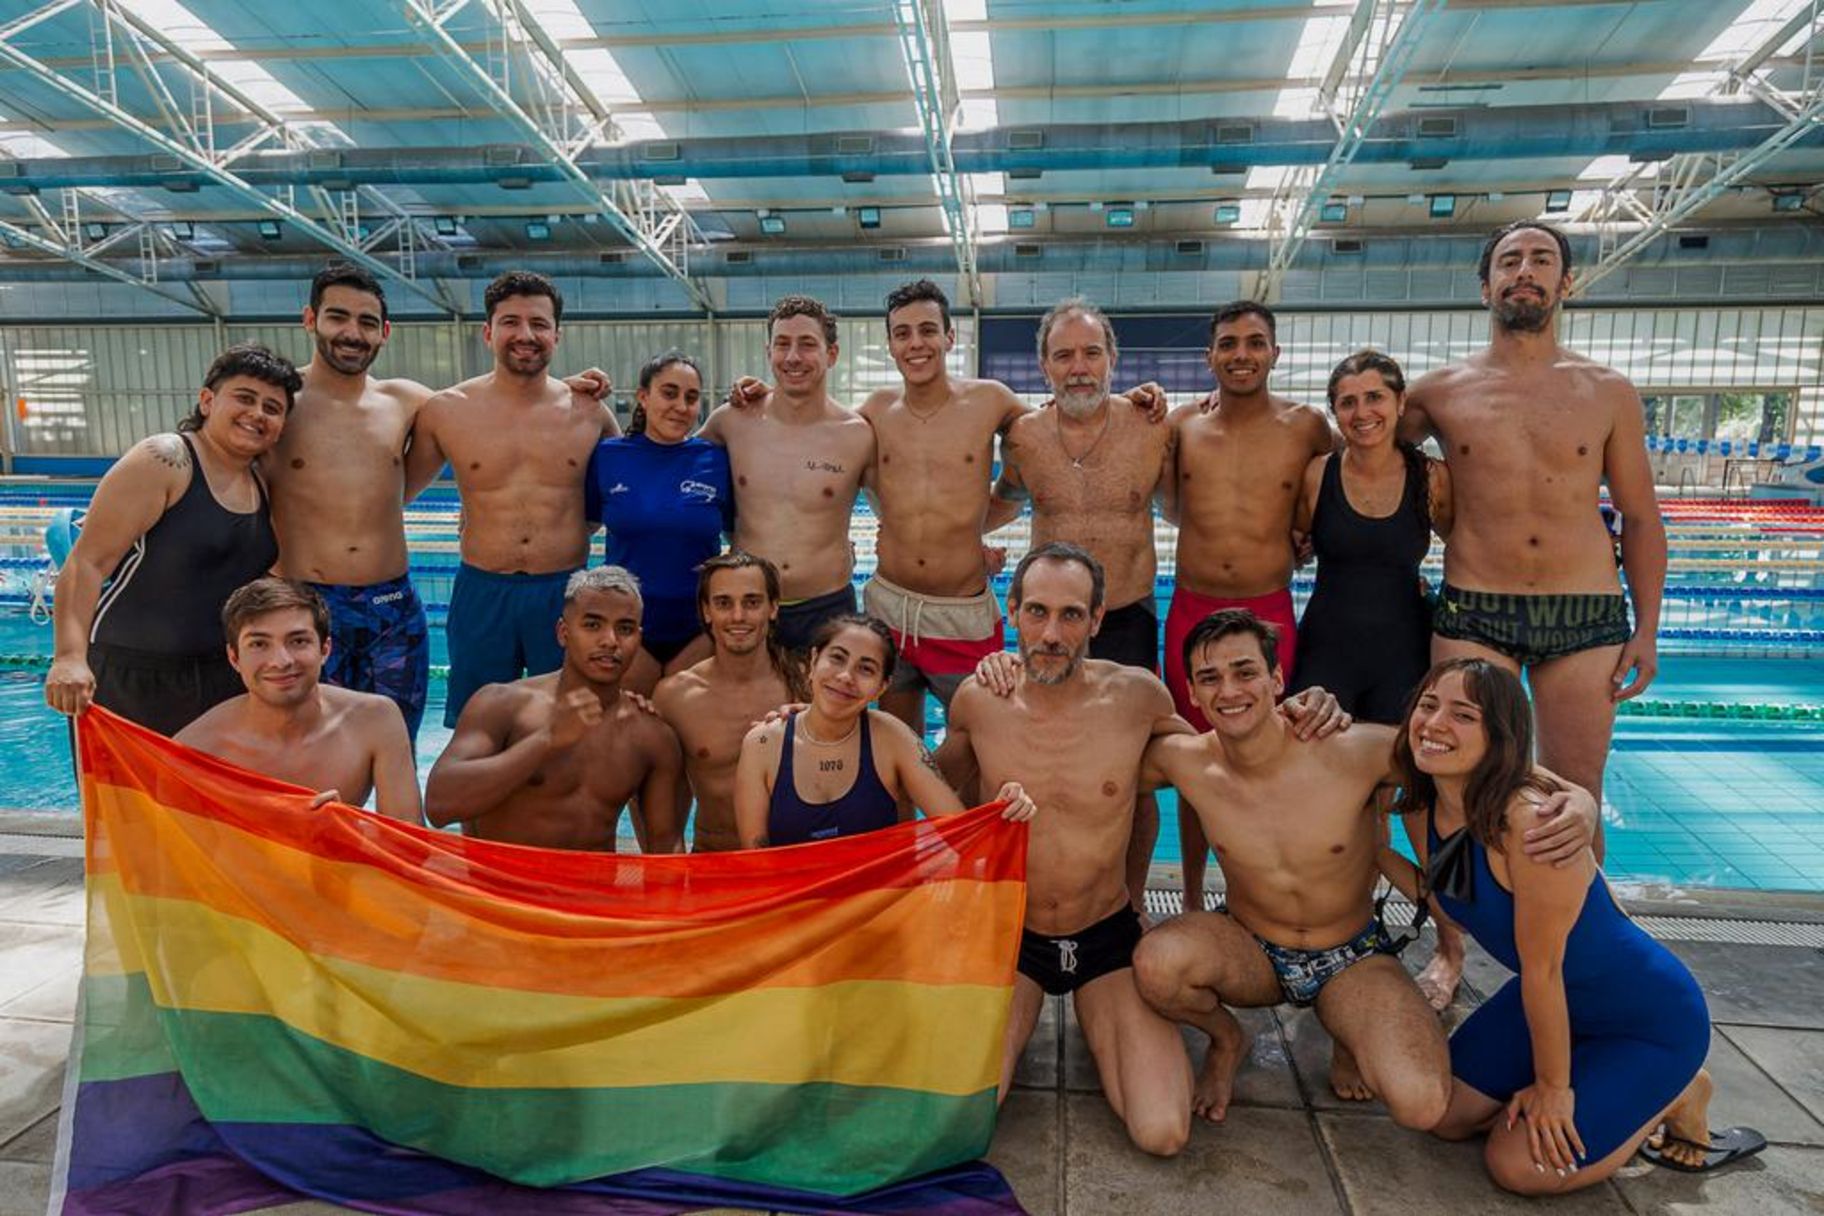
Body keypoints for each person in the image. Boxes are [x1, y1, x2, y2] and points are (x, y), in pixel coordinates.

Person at [1132, 611, 1588, 1129]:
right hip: (1248, 946)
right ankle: (1227, 1039)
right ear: (1192, 693)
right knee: (1157, 965)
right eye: (1210, 678)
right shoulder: (1185, 760)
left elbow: (1471, 755)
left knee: (1422, 1105)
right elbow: (1098, 769)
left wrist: (1579, 799)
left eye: (1245, 672)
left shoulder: (1355, 749)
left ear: (1277, 679)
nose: (1229, 691)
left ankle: (1348, 1033)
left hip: (1351, 956)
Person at [1400, 220, 1667, 1003]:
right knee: (1448, 788)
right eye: (1509, 260)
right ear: (1486, 285)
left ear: (1566, 282)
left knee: (1575, 790)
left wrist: (1647, 629)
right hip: (1474, 605)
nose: (1525, 271)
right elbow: (1362, 440)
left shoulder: (1607, 391)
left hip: (1585, 610)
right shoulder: (1439, 392)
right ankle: (1450, 947)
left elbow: (1641, 517)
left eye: (1541, 259)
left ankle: (1585, 955)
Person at [1403, 659, 1762, 1192]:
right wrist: (1366, 854)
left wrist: (1553, 1089)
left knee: (1518, 1167)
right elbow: (1448, 899)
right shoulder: (1427, 805)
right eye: (1429, 705)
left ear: (1499, 734)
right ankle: (1597, 1080)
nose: (1435, 724)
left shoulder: (1533, 825)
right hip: (1554, 1004)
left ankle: (1678, 1091)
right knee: (1444, 1113)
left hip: (1643, 1019)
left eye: (1463, 714)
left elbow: (1544, 970)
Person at [935, 543, 1193, 1156]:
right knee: (957, 1122)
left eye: (1071, 614)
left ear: (1097, 619)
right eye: (1038, 612)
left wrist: (1301, 720)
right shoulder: (979, 700)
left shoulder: (1138, 698)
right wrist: (818, 725)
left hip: (1104, 935)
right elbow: (923, 781)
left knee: (1162, 1132)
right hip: (1012, 937)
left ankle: (1105, 1020)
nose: (1052, 634)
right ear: (1013, 612)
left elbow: (1225, 763)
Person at [989, 299, 1174, 908]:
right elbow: (1001, 500)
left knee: (1136, 776)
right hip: (1049, 624)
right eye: (1063, 355)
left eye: (1091, 353)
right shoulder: (1022, 436)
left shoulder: (1152, 426)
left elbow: (1195, 499)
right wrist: (957, 543)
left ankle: (1133, 900)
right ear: (1043, 365)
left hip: (1126, 616)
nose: (1078, 368)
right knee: (1042, 764)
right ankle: (1042, 891)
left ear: (1113, 360)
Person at [1165, 301, 1335, 912]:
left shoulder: (1307, 426)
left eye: (1255, 342)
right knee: (1194, 759)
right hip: (1194, 608)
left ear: (1274, 353)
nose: (1242, 355)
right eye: (1229, 344)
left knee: (1272, 757)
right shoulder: (1183, 425)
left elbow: (1360, 478)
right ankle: (1191, 898)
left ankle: (1258, 898)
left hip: (1268, 609)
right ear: (1209, 356)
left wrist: (1313, 533)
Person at [43, 343, 299, 736]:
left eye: (272, 407)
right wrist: (69, 657)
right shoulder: (165, 461)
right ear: (207, 401)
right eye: (245, 398)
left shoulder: (261, 481)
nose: (257, 414)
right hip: (133, 677)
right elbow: (87, 563)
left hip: (221, 677)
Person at [405, 271, 622, 726]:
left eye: (539, 324)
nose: (526, 335)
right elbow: (395, 492)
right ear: (488, 332)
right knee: (477, 726)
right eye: (511, 322)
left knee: (571, 726)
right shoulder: (447, 410)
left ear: (557, 336)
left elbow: (624, 492)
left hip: (564, 590)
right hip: (483, 590)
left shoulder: (590, 412)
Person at [263, 263, 436, 741]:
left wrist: (565, 388)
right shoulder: (276, 402)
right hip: (304, 606)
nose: (352, 333)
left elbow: (488, 407)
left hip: (393, 609)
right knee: (309, 748)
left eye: (366, 322)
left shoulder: (407, 400)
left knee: (395, 743)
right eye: (338, 317)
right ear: (310, 319)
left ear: (384, 332)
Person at [424, 567, 684, 852]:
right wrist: (545, 740)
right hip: (502, 880)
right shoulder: (501, 705)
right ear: (563, 632)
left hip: (591, 881)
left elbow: (665, 845)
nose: (610, 640)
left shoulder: (650, 735)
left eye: (625, 629)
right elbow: (439, 805)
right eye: (593, 625)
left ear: (638, 638)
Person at [735, 613, 1034, 848]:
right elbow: (756, 861)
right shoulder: (763, 743)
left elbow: (958, 831)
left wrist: (1004, 810)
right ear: (813, 661)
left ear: (882, 687)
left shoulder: (892, 739)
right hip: (796, 906)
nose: (845, 676)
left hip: (879, 906)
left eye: (866, 669)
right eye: (837, 658)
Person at [698, 295, 875, 654]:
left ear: (832, 354)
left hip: (827, 606)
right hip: (749, 607)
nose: (793, 357)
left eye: (807, 344)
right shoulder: (730, 421)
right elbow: (671, 464)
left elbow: (902, 511)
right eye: (782, 344)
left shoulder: (857, 435)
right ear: (769, 352)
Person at [1291, 349, 1453, 724]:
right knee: (1314, 749)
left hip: (1404, 652)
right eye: (1348, 402)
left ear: (1401, 402)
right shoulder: (1317, 475)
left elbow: (1464, 546)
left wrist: (1442, 604)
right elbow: (1294, 545)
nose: (1362, 413)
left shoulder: (1432, 479)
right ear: (1335, 412)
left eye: (1375, 397)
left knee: (1394, 756)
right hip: (1327, 649)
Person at [176, 578, 420, 823]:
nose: (281, 661)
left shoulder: (375, 721)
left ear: (325, 650)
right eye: (259, 644)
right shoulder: (196, 750)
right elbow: (172, 844)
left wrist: (348, 829)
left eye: (298, 641)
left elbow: (412, 839)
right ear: (234, 658)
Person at [584, 350, 732, 693]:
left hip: (697, 628)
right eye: (669, 393)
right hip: (627, 625)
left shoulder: (716, 460)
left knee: (685, 724)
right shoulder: (608, 456)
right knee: (627, 724)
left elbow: (741, 533)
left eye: (691, 397)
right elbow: (581, 525)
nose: (681, 406)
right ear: (643, 397)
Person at [653, 551, 805, 852]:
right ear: (706, 611)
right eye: (724, 603)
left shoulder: (807, 685)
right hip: (713, 859)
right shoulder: (675, 697)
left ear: (773, 608)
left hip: (795, 862)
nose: (738, 616)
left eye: (752, 602)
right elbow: (655, 798)